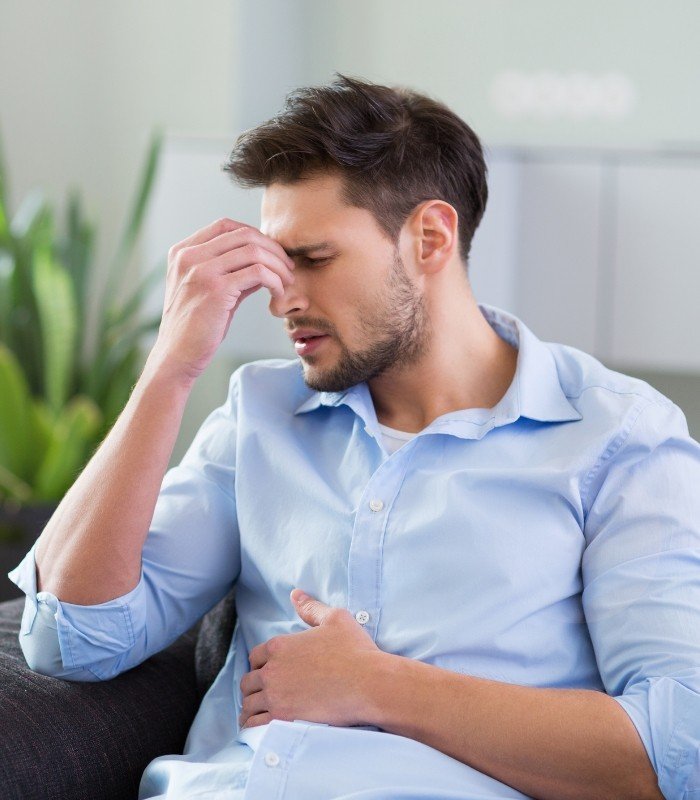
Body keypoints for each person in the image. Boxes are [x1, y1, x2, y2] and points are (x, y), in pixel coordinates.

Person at [8, 73, 699, 800]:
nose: (282, 298)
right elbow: (70, 642)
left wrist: (380, 689)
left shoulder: (616, 438)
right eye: (275, 263)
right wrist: (169, 371)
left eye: (312, 259)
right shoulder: (259, 416)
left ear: (429, 238)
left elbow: (675, 751)